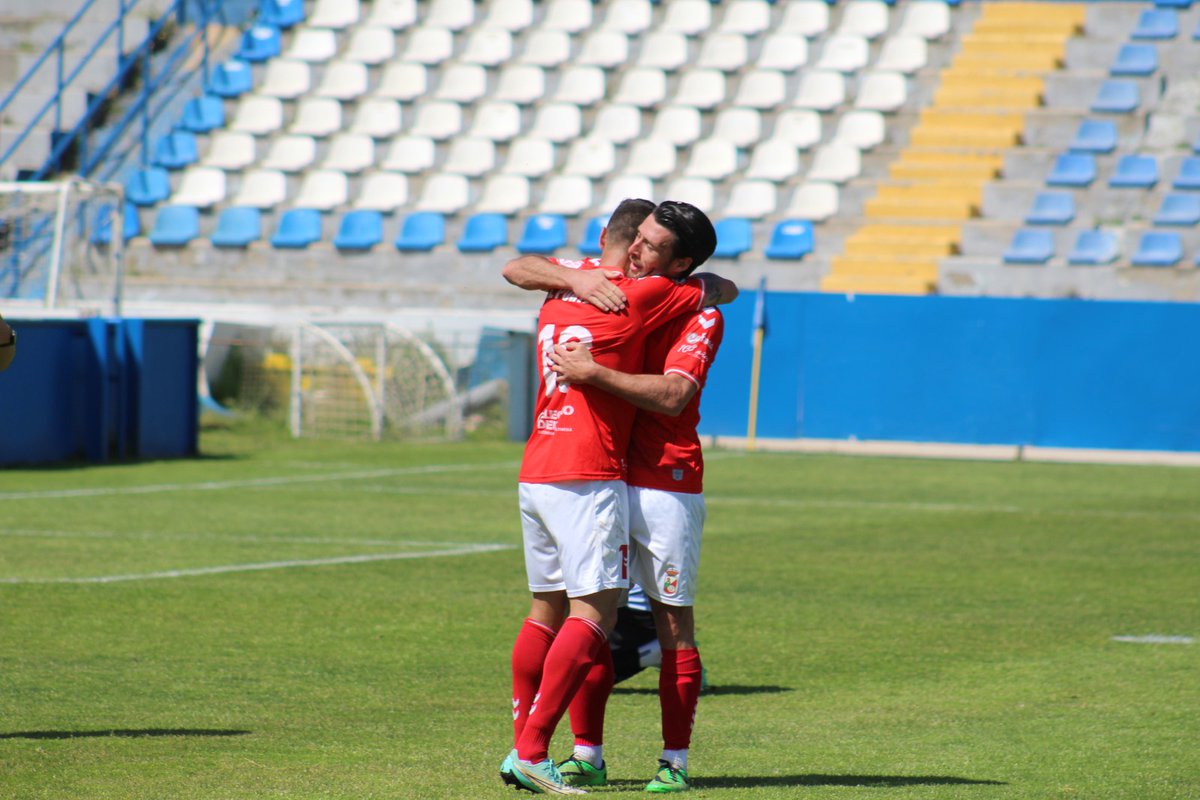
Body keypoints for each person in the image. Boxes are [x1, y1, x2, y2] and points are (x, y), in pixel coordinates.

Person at [500, 200, 736, 795]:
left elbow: (675, 394)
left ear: (679, 262)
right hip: (597, 470)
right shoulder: (596, 280)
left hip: (661, 477)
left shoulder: (691, 308)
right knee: (587, 612)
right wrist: (577, 275)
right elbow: (518, 266)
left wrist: (595, 372)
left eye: (652, 246)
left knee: (667, 622)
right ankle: (585, 752)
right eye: (639, 238)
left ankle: (673, 761)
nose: (637, 250)